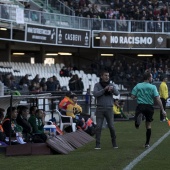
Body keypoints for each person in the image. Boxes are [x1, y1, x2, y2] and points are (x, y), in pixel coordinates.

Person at [131, 72, 166, 148]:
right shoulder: (153, 87)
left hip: (141, 105)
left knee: (137, 120)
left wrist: (139, 96)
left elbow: (132, 96)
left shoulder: (138, 85)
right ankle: (147, 144)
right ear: (149, 78)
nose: (152, 78)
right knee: (148, 125)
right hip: (149, 107)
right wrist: (162, 110)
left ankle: (138, 122)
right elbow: (157, 98)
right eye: (151, 77)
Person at [93, 70, 119, 149]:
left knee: (111, 126)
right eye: (105, 75)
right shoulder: (97, 85)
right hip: (100, 108)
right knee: (98, 127)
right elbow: (95, 94)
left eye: (108, 76)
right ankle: (97, 144)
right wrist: (104, 90)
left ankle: (114, 143)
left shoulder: (111, 84)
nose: (107, 77)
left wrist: (113, 90)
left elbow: (117, 93)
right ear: (101, 76)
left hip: (109, 108)